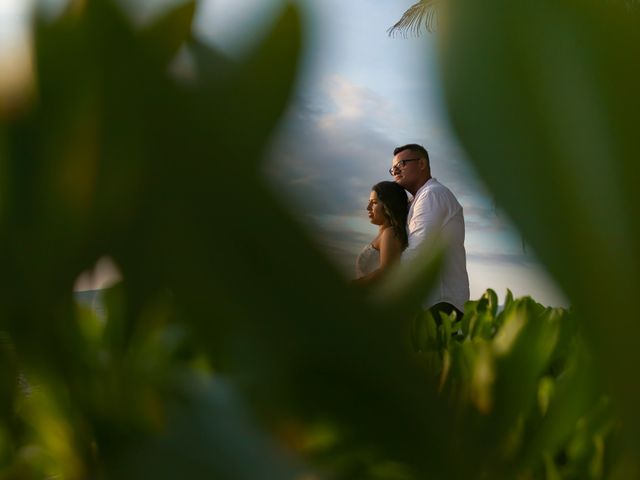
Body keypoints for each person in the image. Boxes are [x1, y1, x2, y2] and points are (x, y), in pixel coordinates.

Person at [390, 143, 469, 322]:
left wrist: (383, 280)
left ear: (422, 164)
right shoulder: (419, 199)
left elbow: (416, 250)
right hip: (434, 302)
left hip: (441, 304)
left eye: (401, 164)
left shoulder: (432, 194)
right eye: (392, 168)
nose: (395, 170)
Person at [355, 181, 409, 284]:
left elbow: (387, 272)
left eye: (374, 202)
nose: (368, 207)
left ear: (388, 205)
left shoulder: (390, 233)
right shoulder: (384, 234)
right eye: (369, 202)